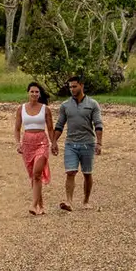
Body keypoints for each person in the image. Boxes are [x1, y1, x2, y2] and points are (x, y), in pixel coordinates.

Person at [52, 74, 105, 211]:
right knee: (70, 172)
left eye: (74, 86)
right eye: (70, 87)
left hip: (88, 143)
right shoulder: (65, 105)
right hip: (71, 143)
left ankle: (86, 200)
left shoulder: (93, 104)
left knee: (87, 173)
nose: (72, 89)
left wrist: (99, 143)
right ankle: (69, 201)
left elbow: (98, 124)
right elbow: (59, 125)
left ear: (81, 85)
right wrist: (54, 142)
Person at [14, 81, 54, 215]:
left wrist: (54, 143)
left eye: (37, 92)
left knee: (37, 173)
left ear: (40, 94)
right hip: (27, 143)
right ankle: (41, 206)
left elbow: (50, 128)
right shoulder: (21, 108)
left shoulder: (45, 109)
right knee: (33, 176)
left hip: (42, 142)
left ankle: (33, 204)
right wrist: (17, 143)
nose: (35, 94)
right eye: (32, 91)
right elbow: (17, 128)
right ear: (28, 92)